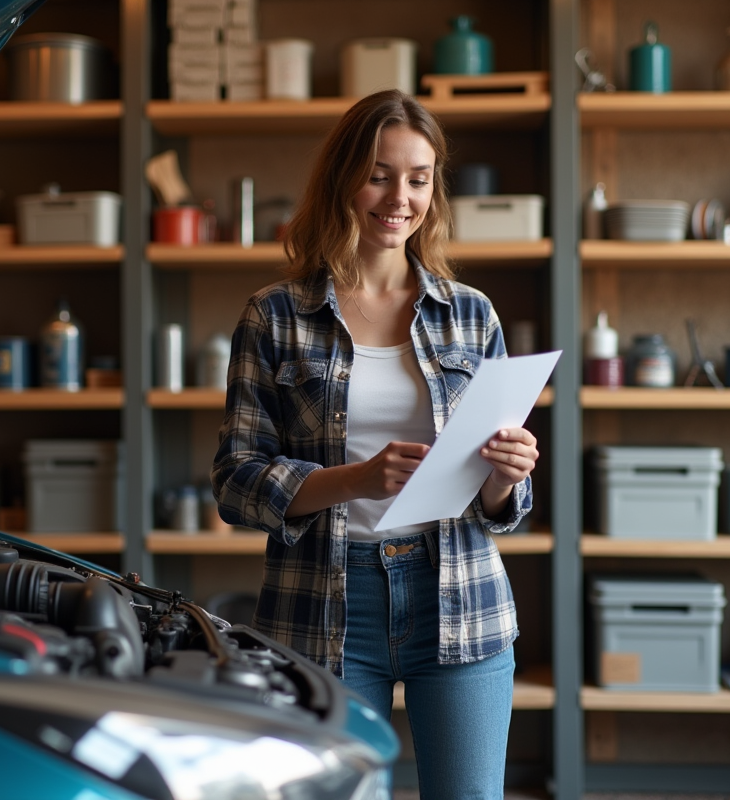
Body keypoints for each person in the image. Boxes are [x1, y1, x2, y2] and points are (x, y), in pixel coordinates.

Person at [211, 89, 538, 800]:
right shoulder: (274, 315)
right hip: (322, 602)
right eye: (380, 174)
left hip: (458, 594)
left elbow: (503, 506)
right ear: (343, 180)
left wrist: (506, 475)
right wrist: (355, 479)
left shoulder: (471, 313)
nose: (400, 197)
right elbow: (235, 482)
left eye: (419, 178)